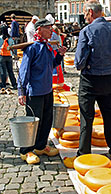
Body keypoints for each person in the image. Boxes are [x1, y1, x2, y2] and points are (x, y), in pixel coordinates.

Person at [63, 0, 111, 168]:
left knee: (86, 117)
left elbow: (79, 62)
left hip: (90, 79)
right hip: (107, 79)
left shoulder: (87, 31)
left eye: (85, 13)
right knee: (109, 115)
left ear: (90, 13)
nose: (84, 16)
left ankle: (83, 154)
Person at [17, 19, 67, 164]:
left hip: (47, 90)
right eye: (48, 28)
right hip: (34, 92)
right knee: (32, 123)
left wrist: (60, 55)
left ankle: (40, 146)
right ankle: (26, 150)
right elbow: (23, 72)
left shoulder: (47, 47)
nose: (51, 30)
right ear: (39, 30)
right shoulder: (31, 48)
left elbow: (52, 65)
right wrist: (21, 91)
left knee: (46, 120)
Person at [0, 24, 17, 91]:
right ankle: (14, 84)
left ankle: (3, 85)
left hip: (2, 56)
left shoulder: (0, 38)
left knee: (3, 71)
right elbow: (13, 47)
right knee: (10, 71)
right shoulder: (10, 38)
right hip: (9, 56)